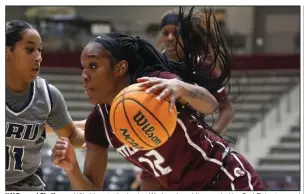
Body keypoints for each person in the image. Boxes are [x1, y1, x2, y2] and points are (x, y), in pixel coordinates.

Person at [51, 7, 264, 191]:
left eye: (93, 66)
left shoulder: (154, 84)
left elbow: (212, 104)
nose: (84, 75)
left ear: (120, 68)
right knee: (149, 178)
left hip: (224, 179)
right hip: (176, 183)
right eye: (84, 68)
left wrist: (181, 88)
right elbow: (91, 186)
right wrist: (72, 169)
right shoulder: (100, 121)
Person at [5, 20, 85, 191]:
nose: (39, 56)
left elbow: (73, 135)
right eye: (30, 49)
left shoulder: (49, 95)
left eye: (40, 50)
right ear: (7, 51)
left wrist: (108, 130)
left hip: (26, 185)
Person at [157, 8, 235, 134]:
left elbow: (227, 109)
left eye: (176, 32)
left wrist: (213, 133)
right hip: (158, 141)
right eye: (166, 33)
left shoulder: (203, 68)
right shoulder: (151, 64)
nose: (170, 38)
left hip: (192, 144)